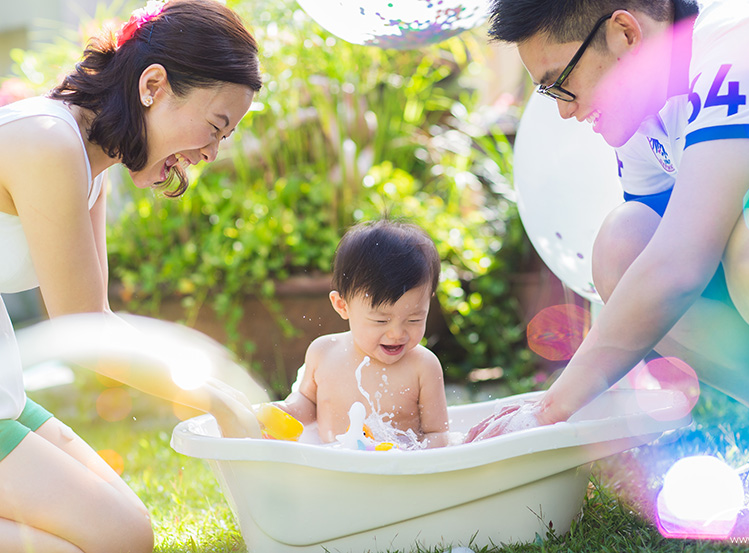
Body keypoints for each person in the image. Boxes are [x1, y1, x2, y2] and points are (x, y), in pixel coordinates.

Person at [467, 0, 749, 480]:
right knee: (624, 246)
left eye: (561, 83)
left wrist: (550, 409)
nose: (561, 110)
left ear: (624, 34)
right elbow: (647, 261)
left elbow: (679, 265)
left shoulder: (740, 46)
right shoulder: (648, 109)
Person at [0, 0, 262, 550]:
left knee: (128, 532)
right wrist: (215, 399)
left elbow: (96, 316)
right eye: (215, 126)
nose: (211, 153)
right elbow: (82, 330)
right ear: (153, 85)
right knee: (115, 539)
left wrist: (216, 392)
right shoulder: (48, 141)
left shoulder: (90, 158)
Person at [278, 219, 450, 448]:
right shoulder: (323, 352)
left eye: (414, 319)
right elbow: (308, 403)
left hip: (395, 476)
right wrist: (286, 411)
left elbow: (438, 434)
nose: (397, 333)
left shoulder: (423, 367)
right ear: (342, 306)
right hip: (331, 470)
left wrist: (405, 457)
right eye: (381, 320)